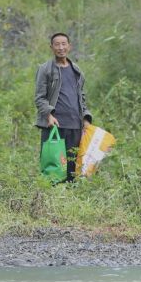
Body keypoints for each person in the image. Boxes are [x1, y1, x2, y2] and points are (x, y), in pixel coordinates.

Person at [34, 32, 92, 182]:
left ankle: (71, 195)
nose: (61, 48)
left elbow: (81, 97)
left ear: (69, 46)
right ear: (51, 47)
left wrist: (85, 118)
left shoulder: (76, 70)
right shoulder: (45, 69)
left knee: (73, 169)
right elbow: (40, 97)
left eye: (64, 44)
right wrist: (49, 115)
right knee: (53, 168)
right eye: (57, 44)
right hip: (55, 126)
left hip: (75, 125)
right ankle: (52, 195)